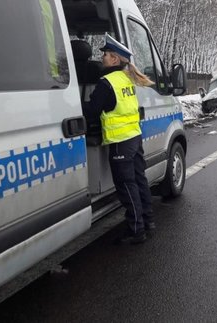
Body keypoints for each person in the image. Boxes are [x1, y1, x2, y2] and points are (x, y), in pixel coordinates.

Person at [84, 34, 155, 244]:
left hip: (120, 142)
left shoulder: (107, 82)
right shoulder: (125, 79)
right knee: (140, 180)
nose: (102, 58)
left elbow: (93, 109)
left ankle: (136, 231)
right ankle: (148, 221)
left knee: (127, 186)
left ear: (115, 59)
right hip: (134, 137)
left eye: (105, 55)